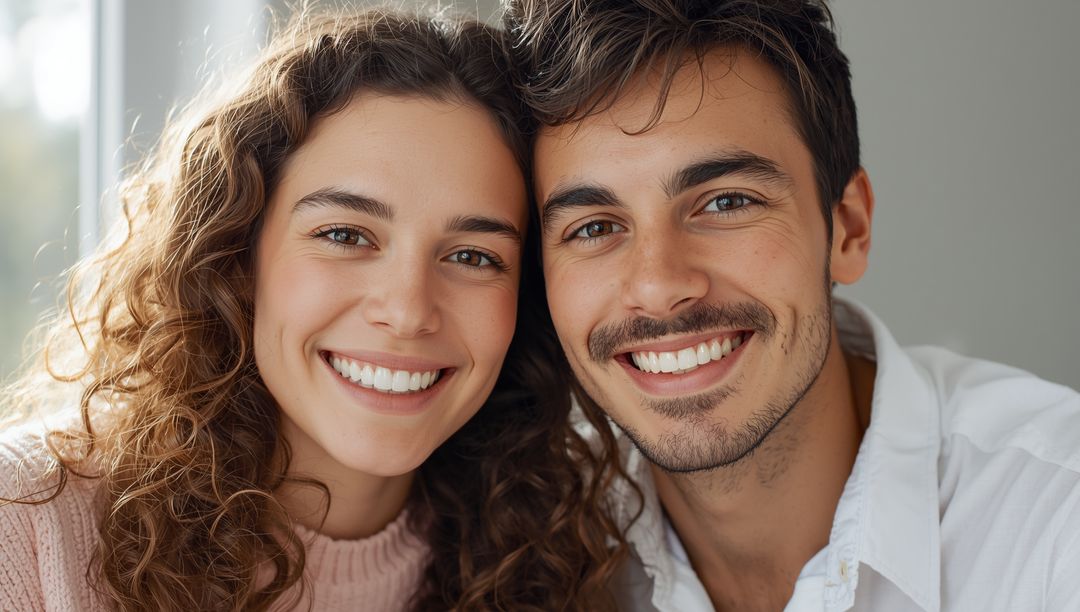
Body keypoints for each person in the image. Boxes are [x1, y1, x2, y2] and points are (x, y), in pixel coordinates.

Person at [0, 8, 629, 611]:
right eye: (346, 235)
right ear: (236, 252)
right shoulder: (24, 525)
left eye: (472, 256)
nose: (408, 311)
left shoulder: (570, 564)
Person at [503, 0, 1080, 610]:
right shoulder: (522, 542)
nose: (658, 286)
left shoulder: (1055, 518)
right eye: (593, 228)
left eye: (726, 202)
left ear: (848, 228)